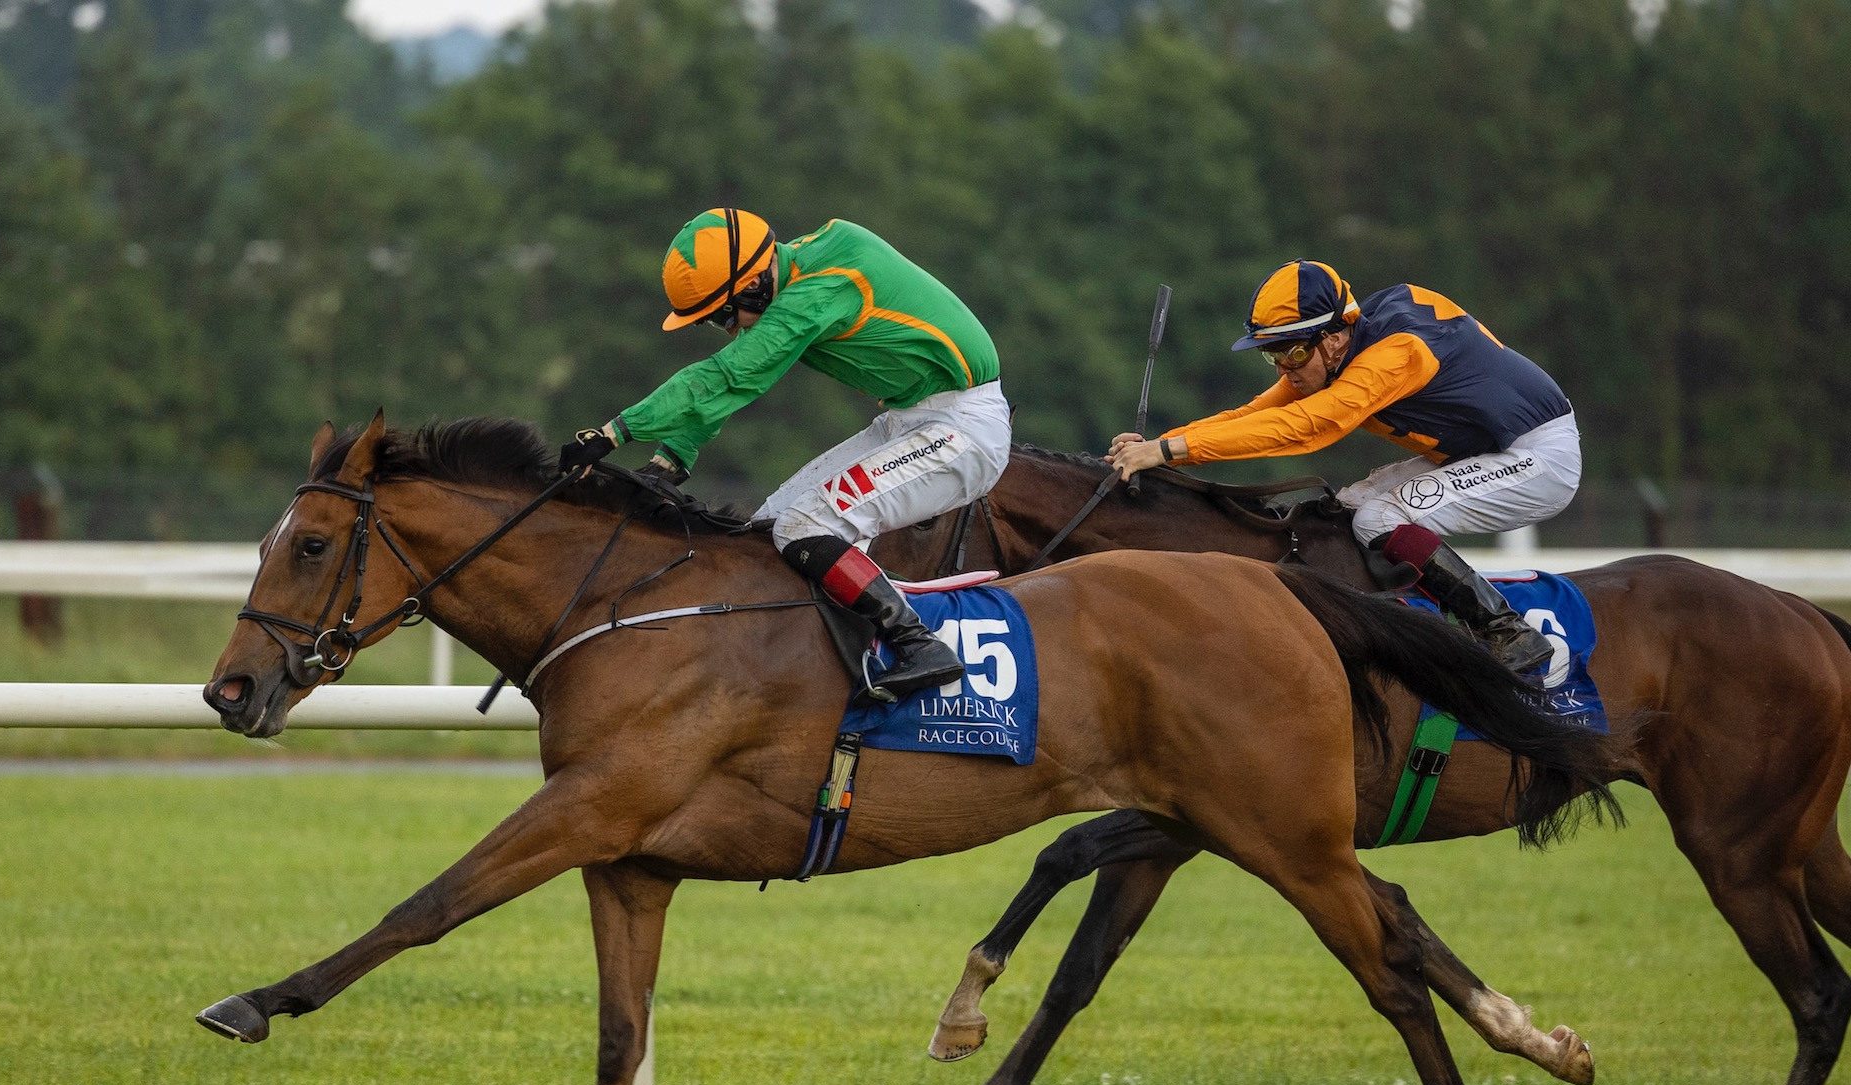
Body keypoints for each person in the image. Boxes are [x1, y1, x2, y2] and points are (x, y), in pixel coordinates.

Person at [579, 208, 1011, 699]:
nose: (725, 328)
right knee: (768, 529)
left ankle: (919, 646)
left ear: (755, 285)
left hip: (965, 431)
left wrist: (616, 432)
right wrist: (674, 457)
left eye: (723, 314)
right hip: (910, 420)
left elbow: (726, 375)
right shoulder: (797, 274)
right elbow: (738, 382)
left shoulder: (821, 289)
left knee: (805, 527)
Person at [1105, 259, 1579, 673]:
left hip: (1538, 457)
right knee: (1347, 509)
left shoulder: (1395, 355)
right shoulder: (1335, 350)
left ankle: (1507, 631)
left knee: (1379, 518)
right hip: (1481, 452)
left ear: (1334, 337)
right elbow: (1257, 413)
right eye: (1273, 353)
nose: (1283, 368)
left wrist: (1169, 453)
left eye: (1292, 351)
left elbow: (1307, 427)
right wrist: (1161, 444)